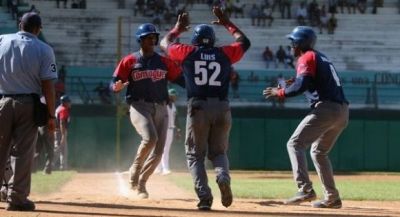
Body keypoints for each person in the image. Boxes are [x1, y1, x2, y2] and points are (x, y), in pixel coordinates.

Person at [160, 6, 250, 210]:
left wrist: (177, 28)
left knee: (194, 155)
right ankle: (223, 176)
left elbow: (165, 43)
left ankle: (205, 197)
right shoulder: (224, 53)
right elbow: (245, 42)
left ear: (196, 40)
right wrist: (227, 22)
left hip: (199, 106)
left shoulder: (188, 52)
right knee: (219, 152)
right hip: (222, 106)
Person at [263, 26, 349, 209]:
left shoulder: (306, 57)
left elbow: (301, 85)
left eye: (292, 42)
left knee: (294, 144)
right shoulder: (320, 57)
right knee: (318, 152)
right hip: (342, 111)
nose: (290, 46)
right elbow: (304, 81)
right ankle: (332, 197)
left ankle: (305, 189)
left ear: (299, 43)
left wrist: (280, 92)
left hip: (326, 109)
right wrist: (286, 84)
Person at [111, 23, 182, 199]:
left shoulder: (164, 61)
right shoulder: (130, 60)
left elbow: (182, 80)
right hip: (139, 106)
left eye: (154, 37)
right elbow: (114, 82)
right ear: (140, 40)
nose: (152, 40)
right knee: (150, 139)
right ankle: (135, 169)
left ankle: (141, 183)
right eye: (148, 37)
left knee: (159, 150)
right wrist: (116, 86)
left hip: (161, 107)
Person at [0, 12, 57, 211]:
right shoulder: (45, 49)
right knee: (23, 153)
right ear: (38, 29)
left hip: (2, 101)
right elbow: (48, 85)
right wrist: (51, 115)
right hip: (28, 104)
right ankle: (16, 198)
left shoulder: (2, 41)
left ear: (19, 25)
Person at [155, 88, 180, 175]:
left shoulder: (173, 105)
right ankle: (163, 168)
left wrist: (177, 129)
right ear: (169, 96)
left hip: (171, 129)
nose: (175, 97)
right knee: (161, 149)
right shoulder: (164, 104)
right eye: (173, 96)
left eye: (175, 96)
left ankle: (160, 168)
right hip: (163, 129)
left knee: (166, 149)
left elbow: (175, 118)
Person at [54, 95, 71, 171]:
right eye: (68, 101)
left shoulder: (59, 108)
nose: (69, 103)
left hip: (57, 131)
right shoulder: (63, 109)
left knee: (62, 150)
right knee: (59, 149)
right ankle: (50, 165)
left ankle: (63, 167)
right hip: (60, 132)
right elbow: (62, 122)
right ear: (64, 102)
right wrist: (63, 135)